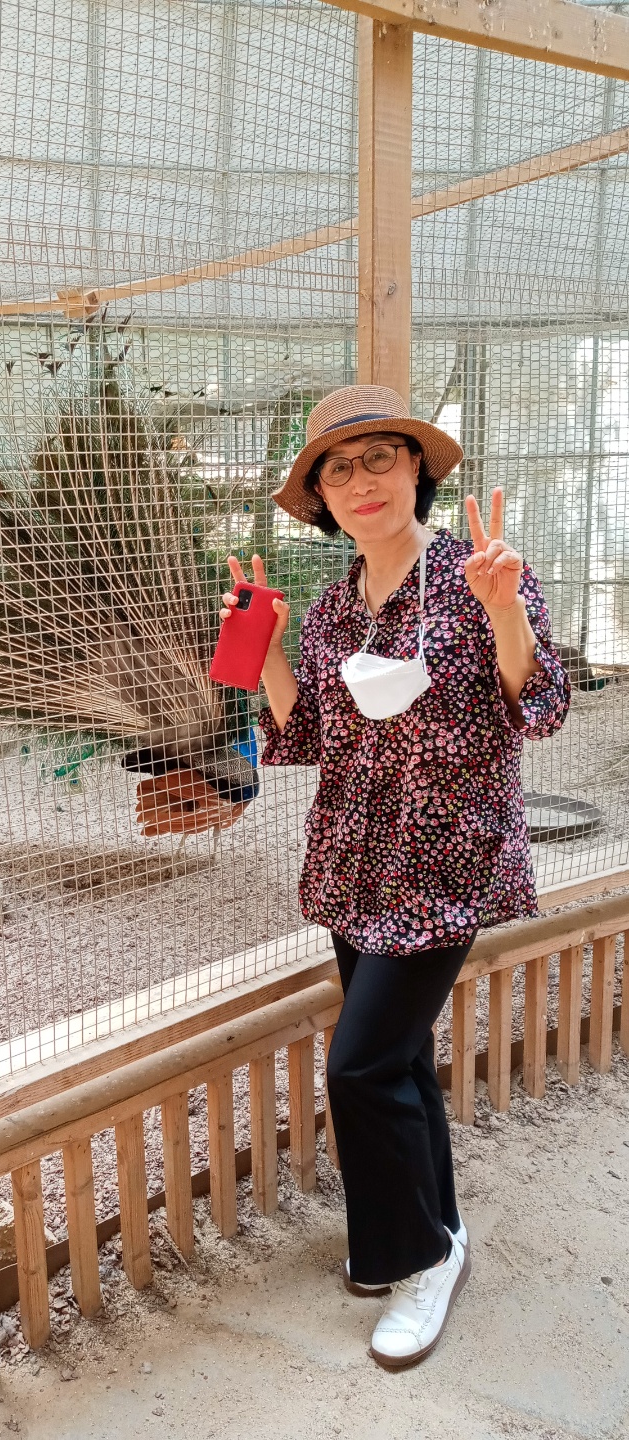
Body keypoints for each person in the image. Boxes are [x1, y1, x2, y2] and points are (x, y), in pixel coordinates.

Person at [219, 384, 570, 1370]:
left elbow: (543, 706)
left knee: (360, 1067)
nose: (361, 480)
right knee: (401, 1060)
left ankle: (416, 1262)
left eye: (381, 457)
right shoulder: (335, 609)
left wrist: (506, 613)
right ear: (322, 498)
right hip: (354, 863)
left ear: (417, 468)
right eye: (338, 468)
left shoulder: (481, 572)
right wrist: (269, 651)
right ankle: (437, 1232)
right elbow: (305, 736)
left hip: (449, 863)